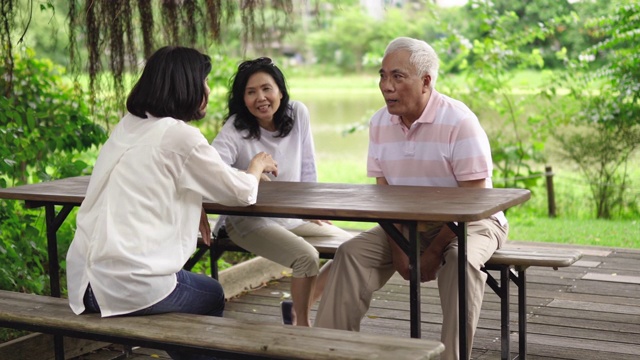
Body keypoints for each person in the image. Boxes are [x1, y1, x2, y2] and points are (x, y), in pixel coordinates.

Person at [66, 46, 278, 360]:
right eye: (204, 81)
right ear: (188, 86)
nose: (208, 89)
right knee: (212, 293)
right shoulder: (180, 136)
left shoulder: (128, 126)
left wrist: (195, 200)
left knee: (193, 295)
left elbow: (155, 181)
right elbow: (240, 192)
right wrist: (256, 166)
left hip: (84, 284)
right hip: (126, 288)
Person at [313, 37, 509, 360]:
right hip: (408, 223)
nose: (385, 86)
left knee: (460, 262)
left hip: (474, 220)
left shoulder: (459, 122)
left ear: (426, 82)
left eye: (397, 77)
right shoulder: (379, 123)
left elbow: (474, 199)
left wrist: (432, 250)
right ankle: (330, 353)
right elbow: (385, 193)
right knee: (350, 254)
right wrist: (398, 246)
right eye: (382, 75)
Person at [212, 57, 352, 327]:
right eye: (251, 92)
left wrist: (312, 209)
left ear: (280, 90)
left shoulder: (297, 113)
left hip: (292, 216)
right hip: (247, 221)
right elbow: (212, 169)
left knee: (352, 250)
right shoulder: (235, 128)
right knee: (306, 257)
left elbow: (308, 165)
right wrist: (250, 171)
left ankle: (298, 308)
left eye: (267, 88)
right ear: (242, 99)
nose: (261, 98)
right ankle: (302, 326)